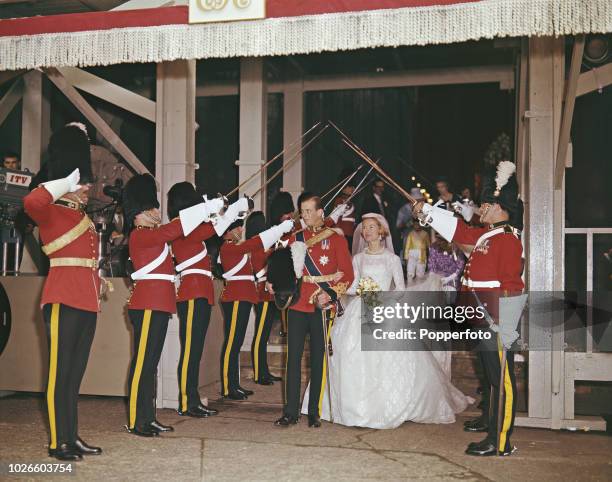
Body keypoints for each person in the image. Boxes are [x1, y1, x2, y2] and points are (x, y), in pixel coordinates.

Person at [302, 213, 472, 428]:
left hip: (385, 309)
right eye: (364, 227)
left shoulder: (391, 259)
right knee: (349, 352)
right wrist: (363, 290)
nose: (367, 231)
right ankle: (352, 407)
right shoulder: (358, 259)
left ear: (381, 231)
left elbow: (400, 289)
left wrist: (382, 297)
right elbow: (352, 287)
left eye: (372, 227)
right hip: (360, 308)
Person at [414, 160, 525, 456]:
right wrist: (427, 213)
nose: (481, 209)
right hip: (482, 317)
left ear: (500, 207)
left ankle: (501, 441)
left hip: (496, 320)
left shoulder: (508, 240)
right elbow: (460, 232)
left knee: (501, 380)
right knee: (490, 377)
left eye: (486, 205)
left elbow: (512, 285)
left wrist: (505, 324)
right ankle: (492, 427)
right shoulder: (488, 236)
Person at [123, 174, 228, 437]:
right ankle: (137, 419)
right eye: (153, 207)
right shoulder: (139, 235)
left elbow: (181, 231)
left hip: (158, 304)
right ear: (140, 211)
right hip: (147, 304)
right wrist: (206, 208)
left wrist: (216, 212)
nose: (158, 211)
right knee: (143, 365)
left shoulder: (152, 234)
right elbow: (176, 229)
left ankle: (149, 417)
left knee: (151, 364)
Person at [23, 123, 102, 461]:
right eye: (81, 183)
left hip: (86, 299)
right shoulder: (51, 210)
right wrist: (66, 181)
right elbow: (32, 199)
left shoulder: (81, 216)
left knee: (74, 376)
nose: (87, 188)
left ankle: (72, 434)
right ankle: (58, 441)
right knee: (59, 374)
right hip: (63, 298)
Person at [273, 193, 354, 428]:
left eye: (309, 211)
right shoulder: (295, 238)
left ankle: (314, 411)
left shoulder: (336, 239)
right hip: (298, 303)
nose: (305, 215)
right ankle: (290, 412)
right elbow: (281, 268)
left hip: (321, 304)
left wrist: (330, 293)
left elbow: (347, 274)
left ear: (320, 212)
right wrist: (274, 281)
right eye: (302, 211)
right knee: (293, 359)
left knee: (318, 359)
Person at [169, 182, 246, 418]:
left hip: (200, 292)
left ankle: (192, 399)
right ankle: (185, 402)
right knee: (191, 350)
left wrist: (228, 210)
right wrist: (229, 210)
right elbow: (213, 229)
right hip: (192, 293)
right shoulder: (181, 227)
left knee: (196, 351)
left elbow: (211, 228)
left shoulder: (190, 228)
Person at [218, 211, 294, 400]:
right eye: (237, 227)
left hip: (243, 297)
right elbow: (255, 244)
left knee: (236, 343)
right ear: (228, 230)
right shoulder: (228, 248)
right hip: (235, 298)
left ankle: (235, 384)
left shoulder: (237, 247)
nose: (240, 229)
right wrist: (281, 229)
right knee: (232, 344)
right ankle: (229, 386)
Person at [247, 211, 282, 385]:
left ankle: (264, 370)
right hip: (261, 293)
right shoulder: (256, 247)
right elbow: (261, 270)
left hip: (268, 294)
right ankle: (259, 373)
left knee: (265, 334)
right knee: (261, 335)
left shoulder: (262, 245)